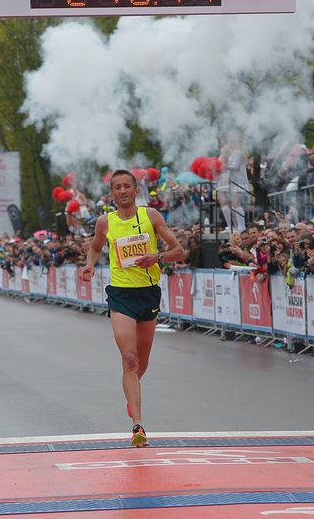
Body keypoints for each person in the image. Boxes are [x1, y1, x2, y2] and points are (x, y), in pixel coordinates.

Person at [81, 169, 187, 447]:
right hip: (121, 295)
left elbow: (179, 251)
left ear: (136, 190)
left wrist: (157, 256)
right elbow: (94, 248)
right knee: (129, 360)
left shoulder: (150, 216)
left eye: (127, 186)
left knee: (142, 363)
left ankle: (132, 393)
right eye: (118, 187)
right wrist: (89, 265)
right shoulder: (105, 222)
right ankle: (138, 426)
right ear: (112, 193)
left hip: (148, 294)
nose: (123, 191)